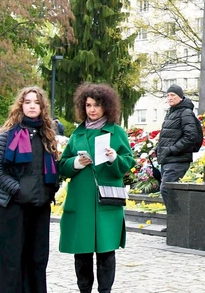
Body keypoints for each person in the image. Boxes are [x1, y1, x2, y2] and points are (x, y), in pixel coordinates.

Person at [59, 83, 134, 293]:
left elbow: (128, 162)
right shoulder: (77, 134)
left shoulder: (116, 132)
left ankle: (105, 291)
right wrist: (75, 163)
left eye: (97, 105)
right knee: (81, 252)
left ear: (106, 107)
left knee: (106, 252)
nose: (92, 110)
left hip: (107, 201)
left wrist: (114, 158)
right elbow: (62, 165)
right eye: (88, 105)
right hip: (81, 201)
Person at [0, 86, 59, 293]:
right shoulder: (7, 134)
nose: (32, 106)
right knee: (9, 262)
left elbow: (54, 168)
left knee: (37, 260)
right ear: (21, 105)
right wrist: (17, 190)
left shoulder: (47, 136)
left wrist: (48, 192)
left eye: (36, 102)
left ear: (42, 107)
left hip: (39, 208)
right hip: (13, 207)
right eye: (28, 102)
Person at [157, 84, 200, 206]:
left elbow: (191, 136)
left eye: (173, 95)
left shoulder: (186, 113)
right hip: (168, 159)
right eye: (168, 95)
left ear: (180, 97)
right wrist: (157, 149)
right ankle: (175, 219)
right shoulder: (171, 112)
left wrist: (172, 150)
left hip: (178, 160)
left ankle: (176, 218)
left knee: (166, 190)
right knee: (168, 190)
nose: (169, 98)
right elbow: (169, 135)